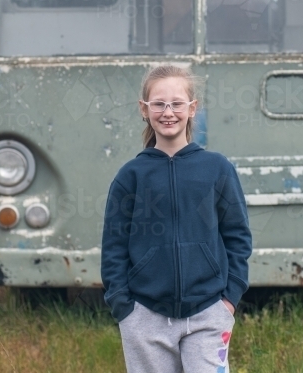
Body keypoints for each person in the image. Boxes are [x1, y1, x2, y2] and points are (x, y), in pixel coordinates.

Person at [102, 64, 252, 373]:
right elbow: (114, 246)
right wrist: (124, 307)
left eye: (177, 103)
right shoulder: (130, 176)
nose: (167, 112)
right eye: (158, 103)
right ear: (144, 109)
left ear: (192, 108)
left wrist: (229, 299)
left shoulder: (217, 169)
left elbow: (238, 236)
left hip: (209, 314)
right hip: (145, 317)